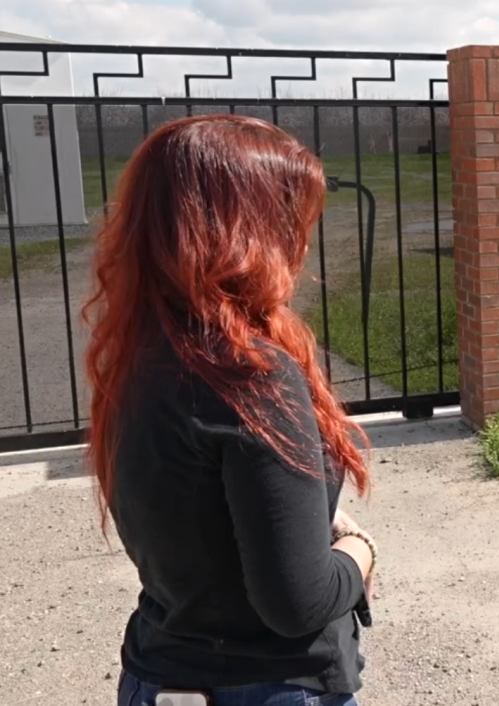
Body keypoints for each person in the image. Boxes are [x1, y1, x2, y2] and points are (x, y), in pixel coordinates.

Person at [82, 114, 379, 706]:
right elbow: (299, 603)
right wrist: (360, 550)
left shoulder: (139, 357)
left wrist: (305, 519)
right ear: (247, 232)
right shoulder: (248, 375)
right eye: (289, 219)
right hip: (268, 686)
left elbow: (195, 517)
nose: (299, 243)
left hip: (157, 673)